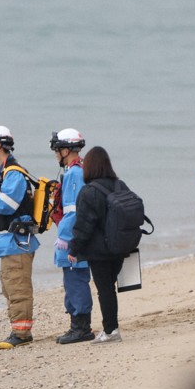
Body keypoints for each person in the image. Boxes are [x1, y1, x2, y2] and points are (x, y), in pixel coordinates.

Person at [0, 126, 40, 349]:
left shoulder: (13, 173)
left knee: (18, 287)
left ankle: (21, 334)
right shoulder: (3, 171)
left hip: (18, 241)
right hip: (11, 241)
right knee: (9, 285)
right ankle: (19, 329)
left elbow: (8, 204)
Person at [67, 146, 128, 344]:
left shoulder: (88, 192)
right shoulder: (120, 185)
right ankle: (111, 328)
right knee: (109, 288)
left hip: (100, 251)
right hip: (120, 246)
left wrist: (74, 248)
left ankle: (111, 331)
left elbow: (84, 224)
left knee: (105, 290)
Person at [49, 128, 95, 344]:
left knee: (75, 280)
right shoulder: (81, 168)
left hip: (74, 237)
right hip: (80, 235)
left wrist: (66, 239)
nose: (56, 154)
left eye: (57, 149)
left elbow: (73, 211)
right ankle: (78, 325)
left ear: (67, 149)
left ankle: (81, 327)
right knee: (74, 279)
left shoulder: (75, 173)